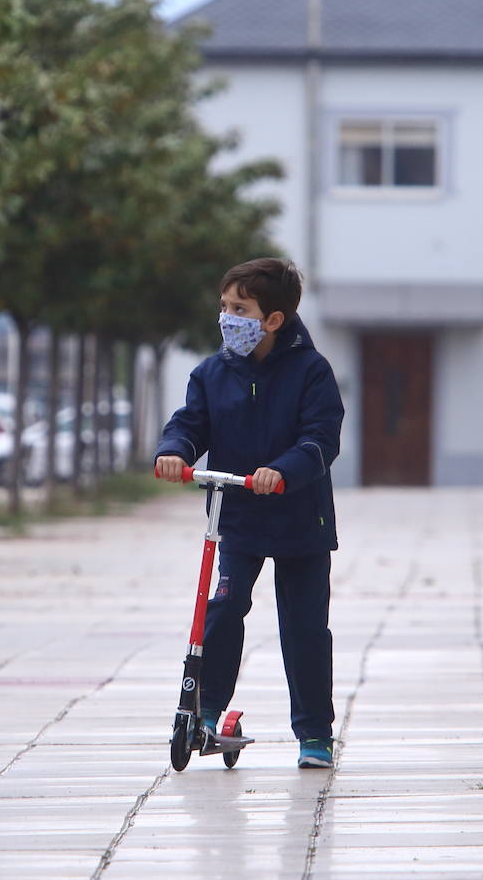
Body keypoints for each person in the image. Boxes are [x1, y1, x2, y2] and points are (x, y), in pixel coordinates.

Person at [154, 257, 344, 769]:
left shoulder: (312, 372)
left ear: (273, 320)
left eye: (240, 308)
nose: (227, 317)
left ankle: (314, 733)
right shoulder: (213, 373)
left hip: (300, 519)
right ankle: (207, 711)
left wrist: (282, 470)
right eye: (225, 306)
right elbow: (191, 422)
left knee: (303, 627)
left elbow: (321, 439)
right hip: (236, 517)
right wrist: (175, 451)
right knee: (223, 608)